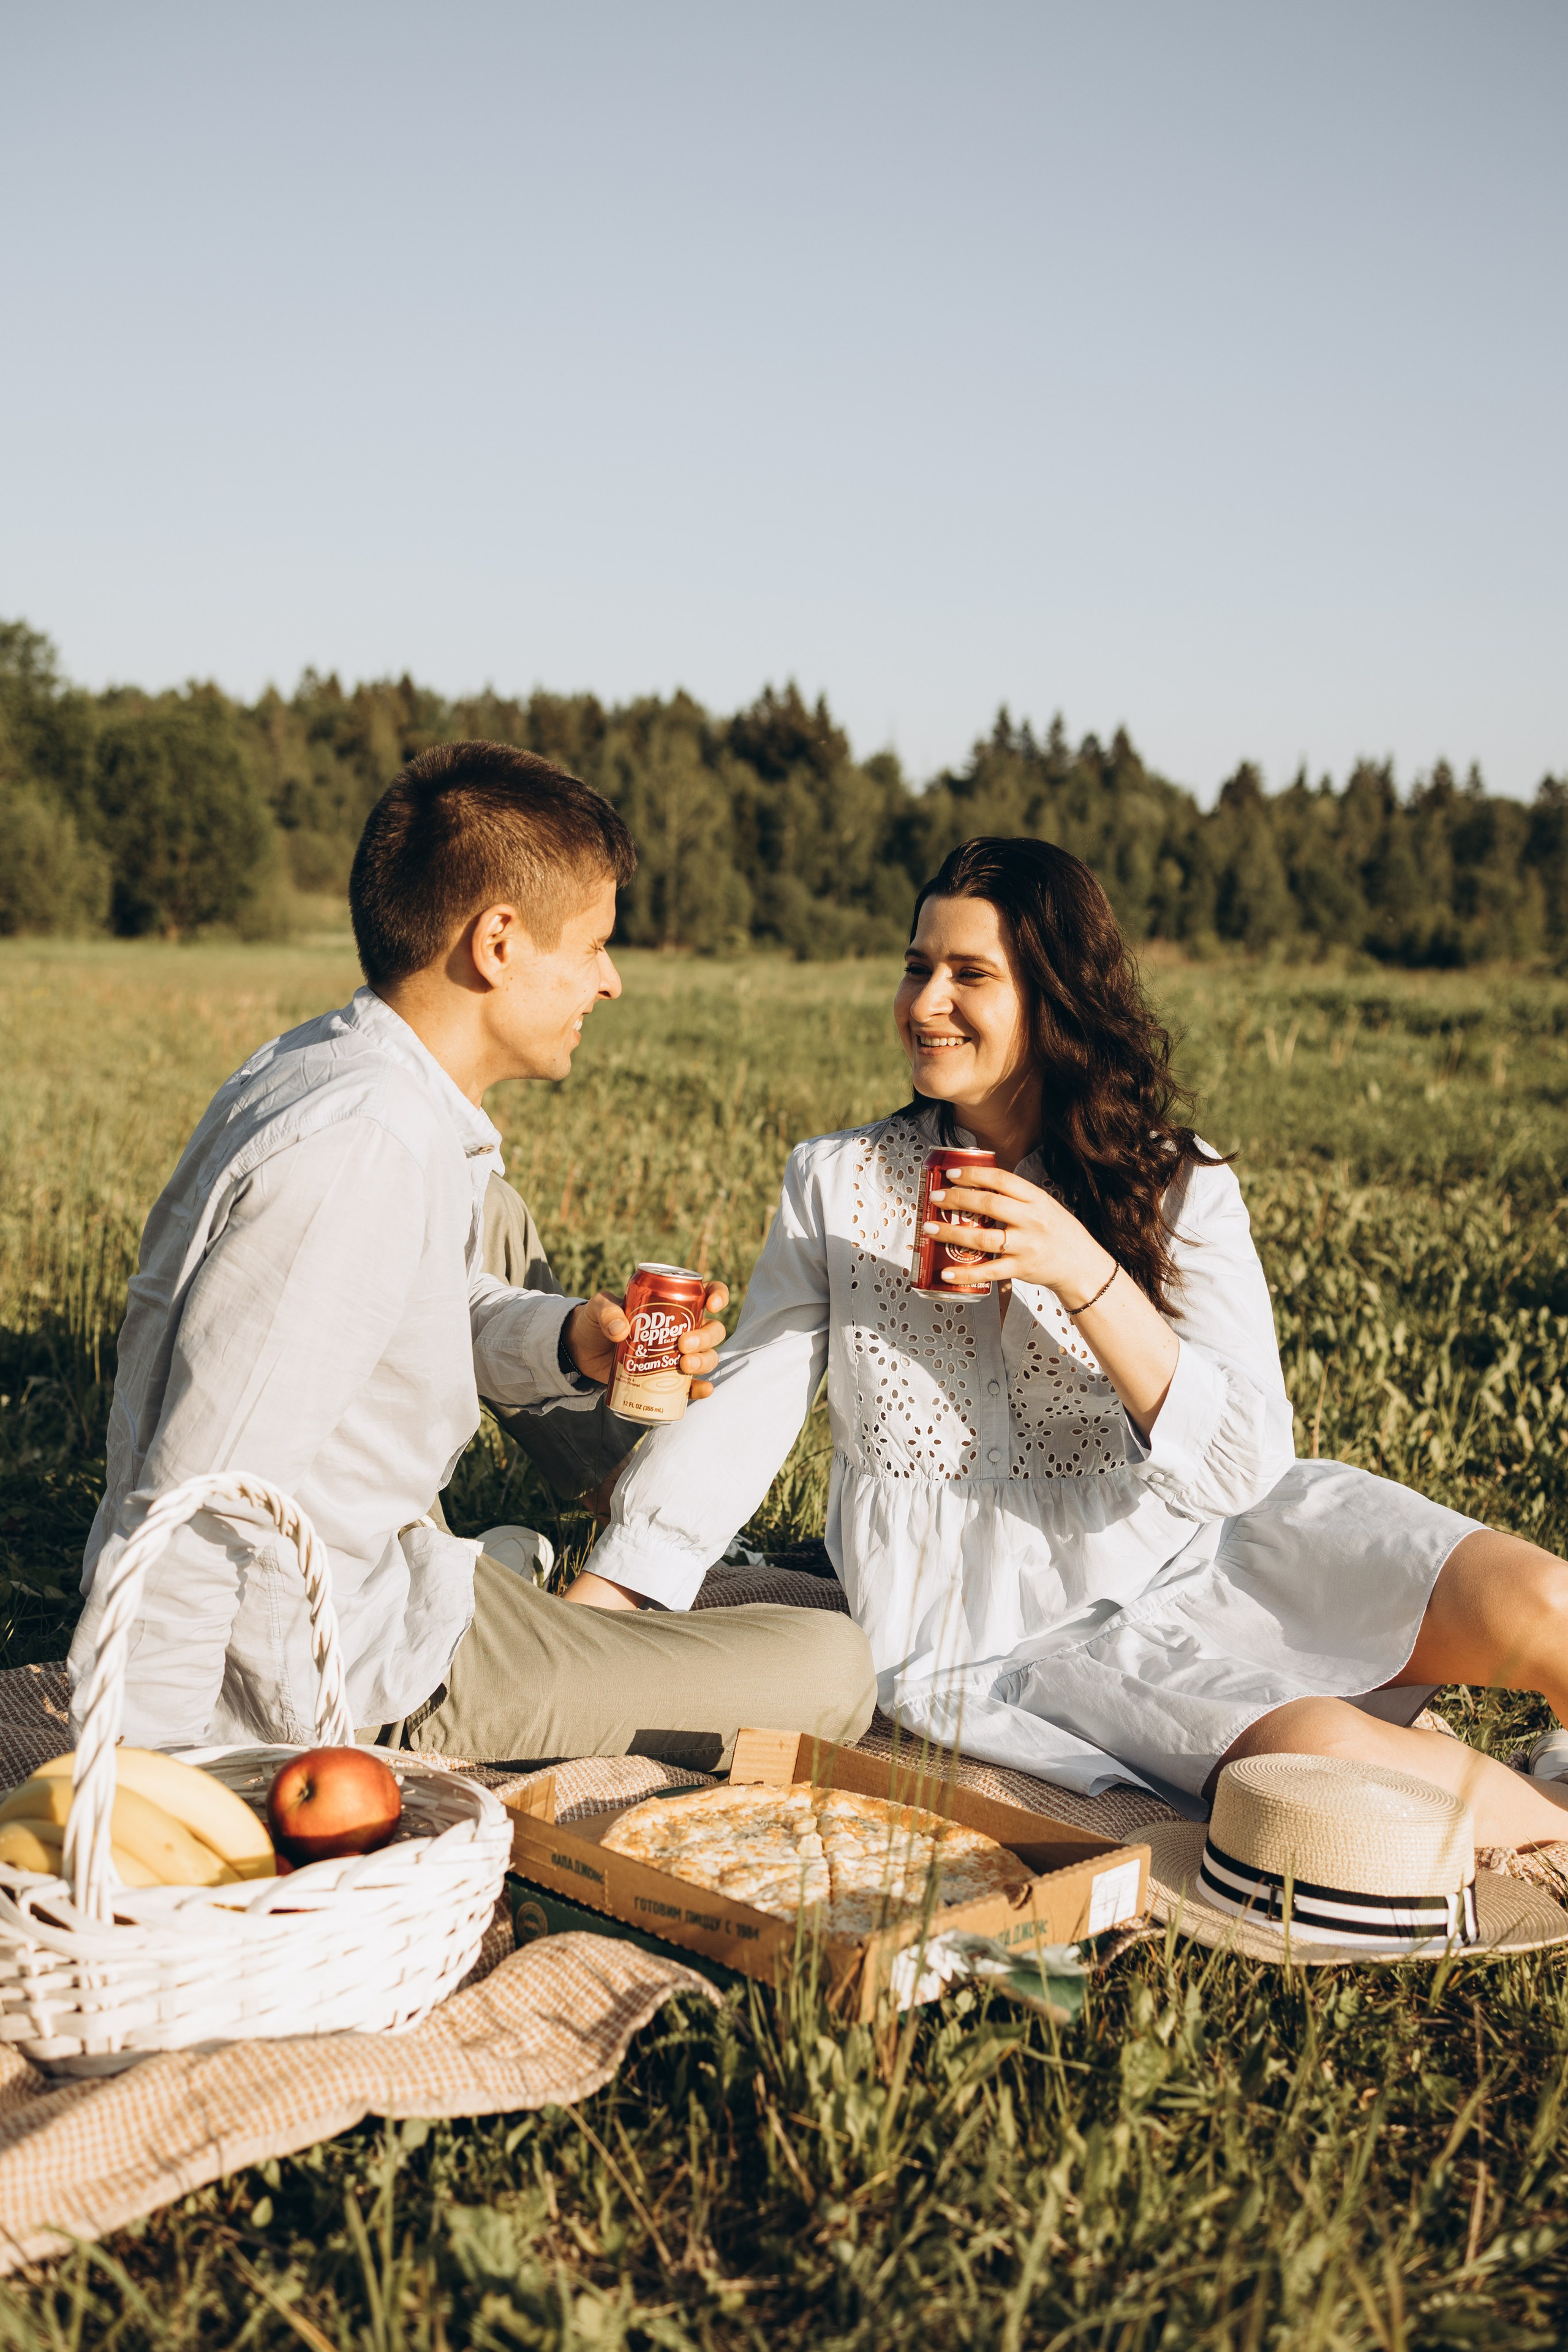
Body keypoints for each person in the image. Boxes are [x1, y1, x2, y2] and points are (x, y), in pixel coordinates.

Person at [584, 836, 1568, 1848]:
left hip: (1209, 1541)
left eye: (970, 974)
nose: (925, 1002)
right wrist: (613, 1589)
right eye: (918, 967)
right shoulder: (838, 1181)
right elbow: (748, 1405)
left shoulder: (1174, 1181)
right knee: (1324, 1762)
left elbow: (1246, 1463)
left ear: (1055, 999)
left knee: (1544, 1599)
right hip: (1020, 1634)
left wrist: (1080, 1268)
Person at [69, 742, 873, 1770]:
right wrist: (157, 1779)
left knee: (500, 1222)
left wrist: (568, 1343)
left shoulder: (341, 1068)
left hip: (391, 1581)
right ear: (497, 943)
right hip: (348, 1681)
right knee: (835, 1665)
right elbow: (200, 1502)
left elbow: (406, 1310)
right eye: (593, 946)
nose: (611, 982)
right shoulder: (363, 1150)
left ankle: (518, 1589)